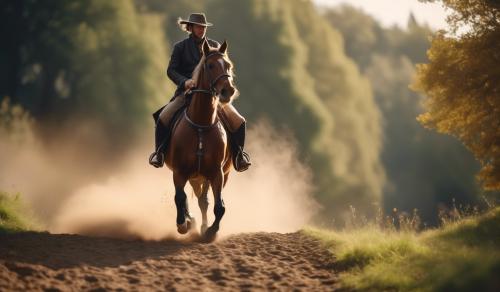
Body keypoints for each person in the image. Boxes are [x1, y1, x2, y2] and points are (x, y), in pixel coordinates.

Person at [149, 13, 251, 172]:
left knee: (239, 121)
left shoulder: (215, 45)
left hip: (213, 97)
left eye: (203, 27)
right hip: (186, 94)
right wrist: (185, 82)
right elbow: (171, 70)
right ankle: (159, 154)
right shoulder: (180, 47)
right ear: (190, 28)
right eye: (198, 26)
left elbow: (222, 70)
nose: (201, 29)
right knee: (163, 117)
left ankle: (239, 156)